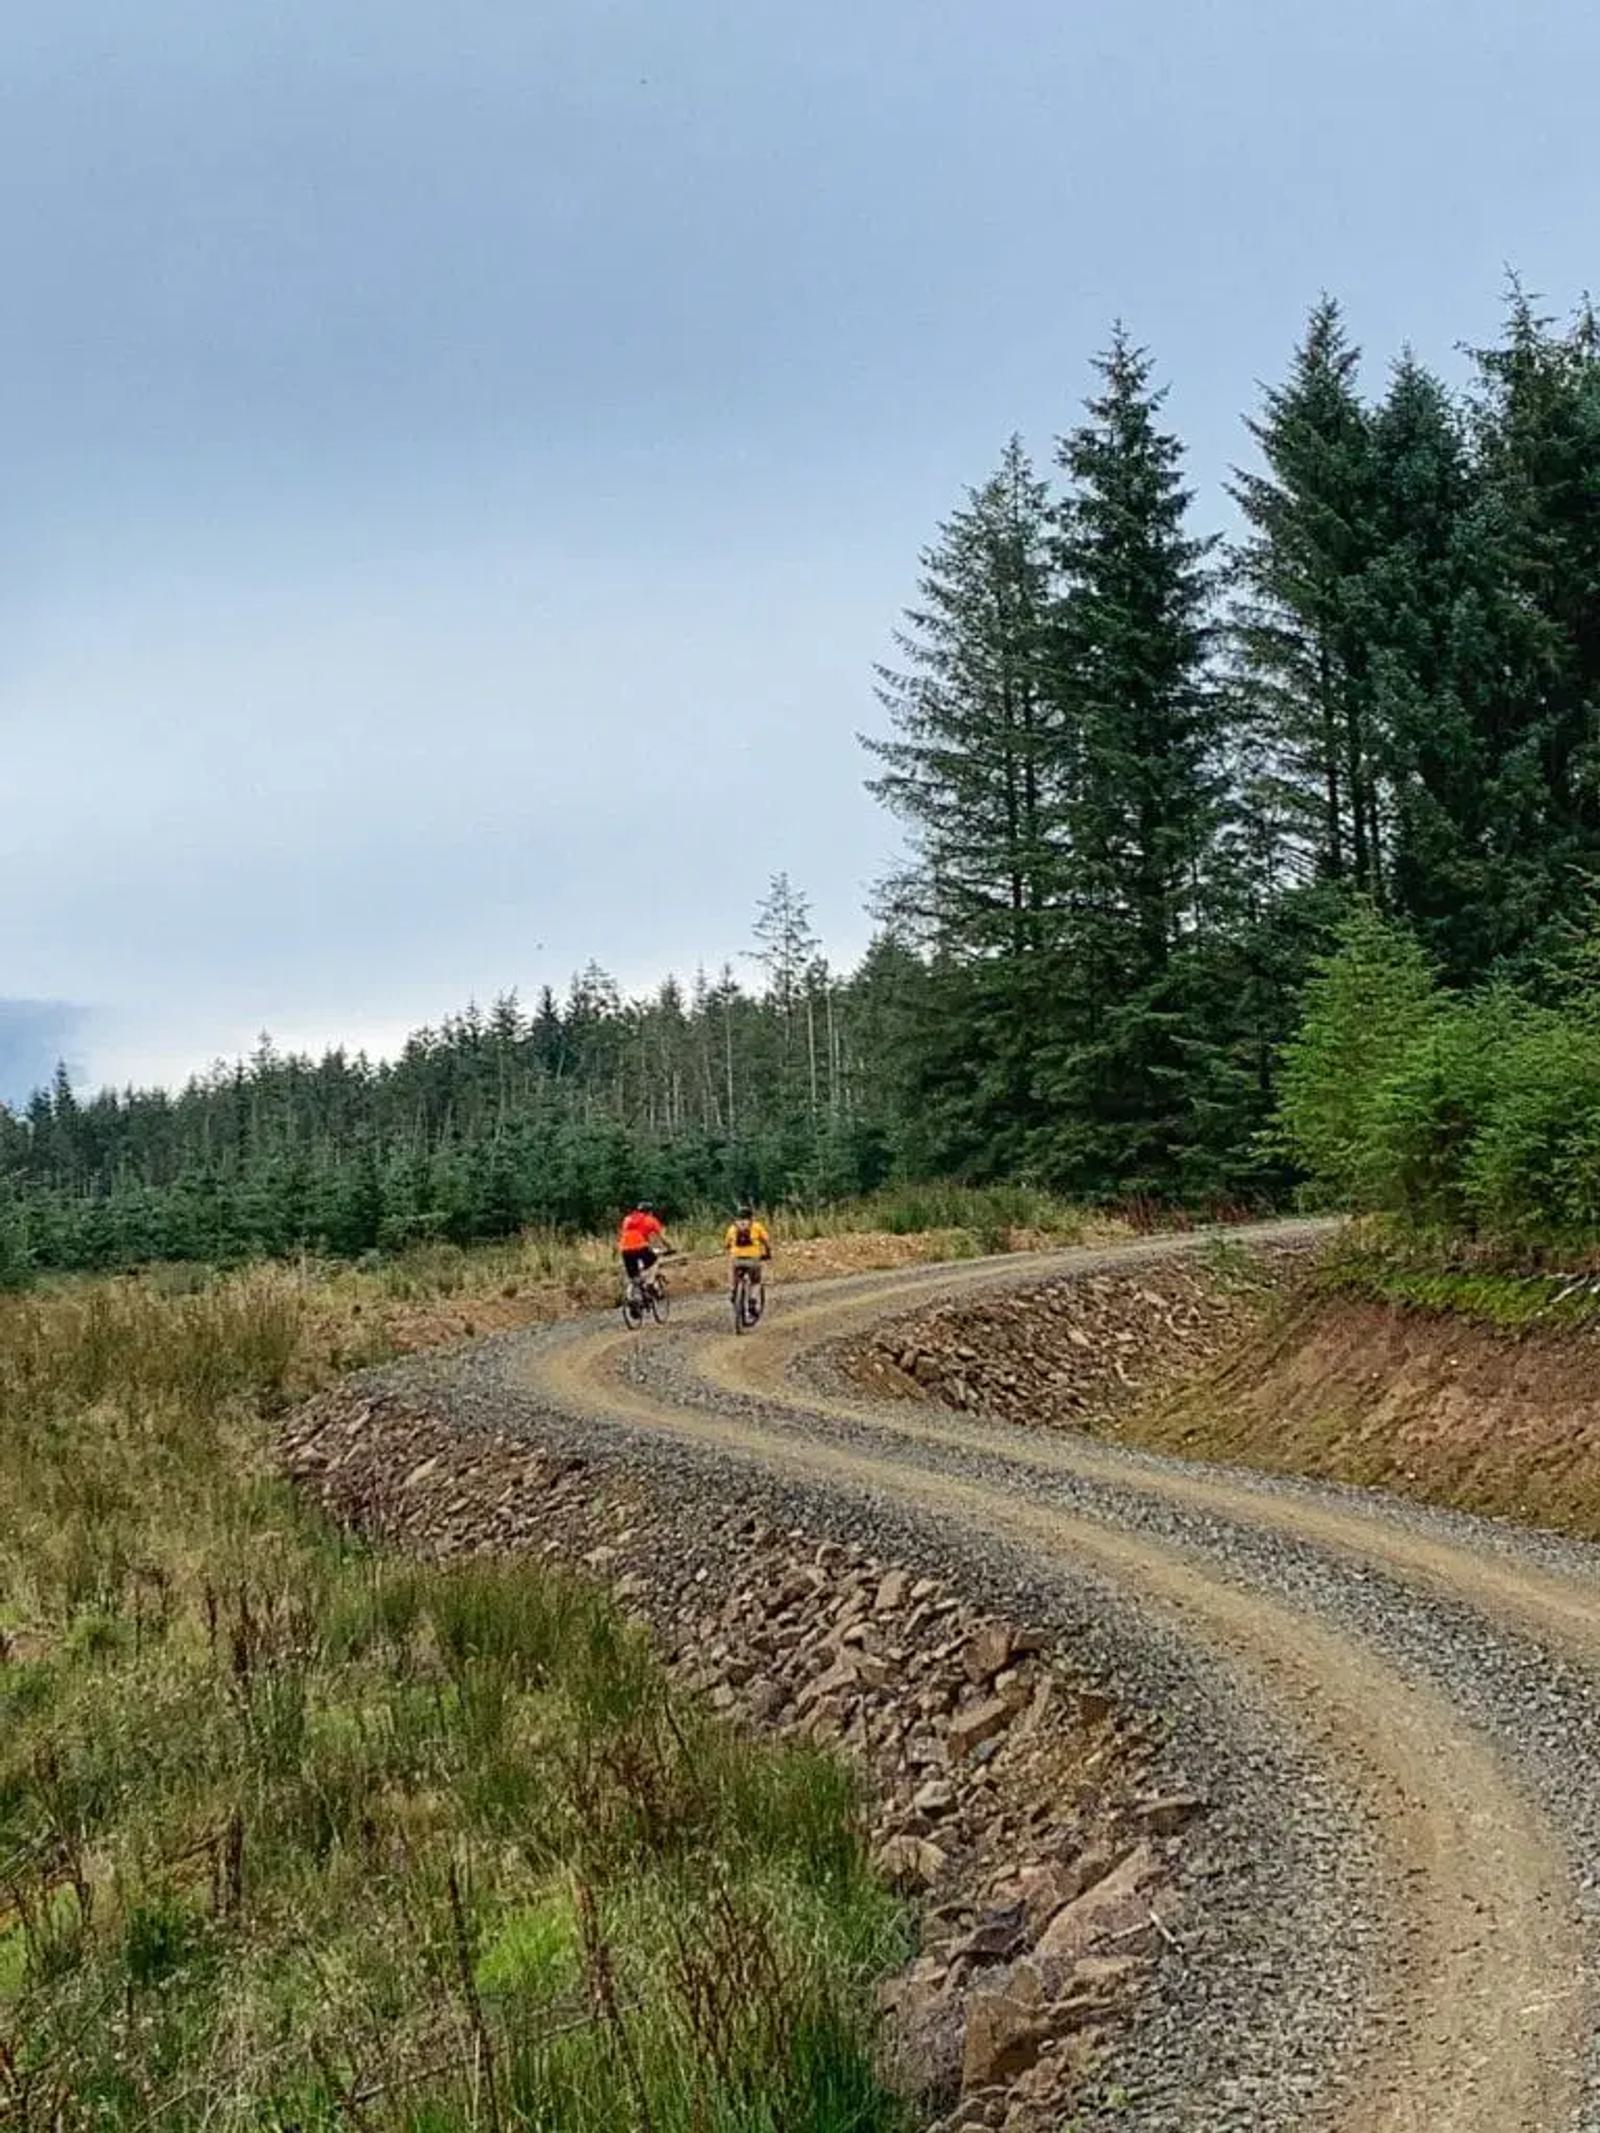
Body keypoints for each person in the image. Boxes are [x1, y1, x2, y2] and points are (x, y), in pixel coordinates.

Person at [618, 1201, 670, 1295]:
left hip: (625, 1249)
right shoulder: (650, 1219)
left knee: (634, 1276)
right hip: (640, 1246)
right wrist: (669, 1247)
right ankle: (650, 1283)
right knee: (653, 1261)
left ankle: (631, 1297)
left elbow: (625, 1234)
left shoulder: (627, 1219)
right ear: (649, 1212)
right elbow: (662, 1236)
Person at [724, 1204, 772, 1302]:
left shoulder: (732, 1228)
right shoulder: (756, 1226)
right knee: (755, 1281)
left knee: (733, 1272)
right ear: (751, 1216)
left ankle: (733, 1290)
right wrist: (767, 1253)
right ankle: (752, 1301)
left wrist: (733, 1249)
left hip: (737, 1259)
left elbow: (726, 1244)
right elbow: (767, 1242)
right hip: (753, 1259)